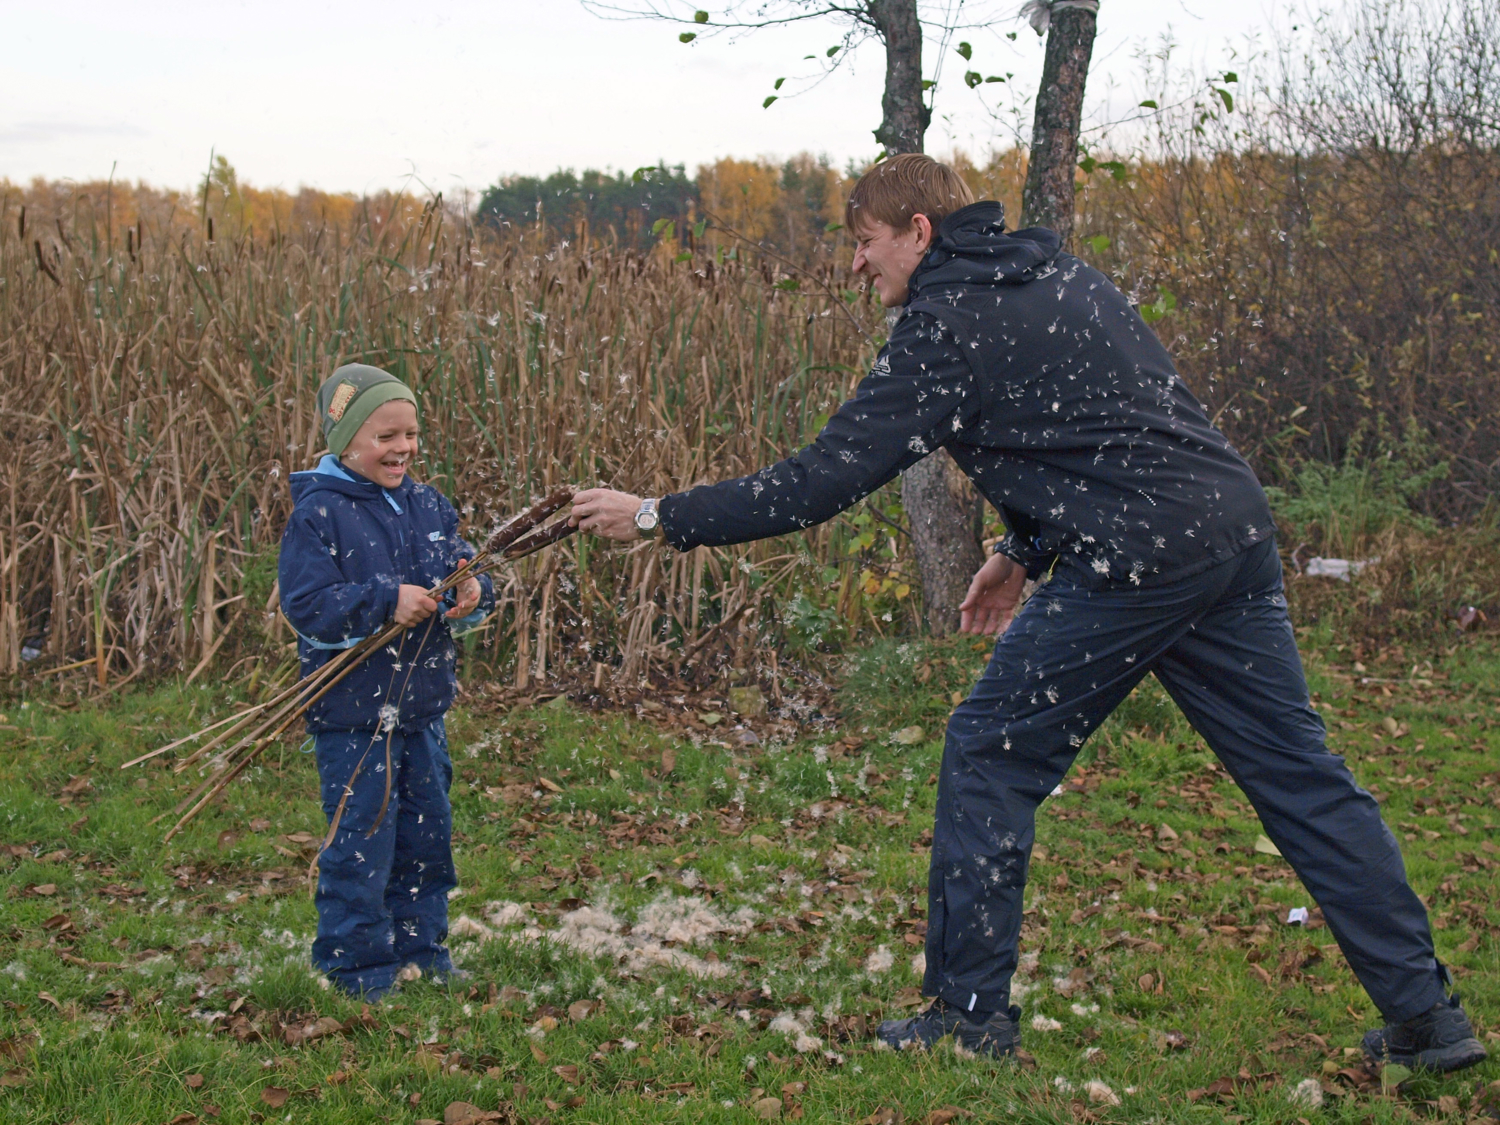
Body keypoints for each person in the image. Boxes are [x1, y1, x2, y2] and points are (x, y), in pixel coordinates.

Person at [569, 154, 1487, 1071]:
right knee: (1303, 779)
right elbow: (1094, 422)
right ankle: (1429, 1021)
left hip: (1135, 562)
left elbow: (821, 479)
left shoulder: (944, 328)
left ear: (918, 232)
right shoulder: (1056, 273)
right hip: (1227, 533)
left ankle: (968, 1018)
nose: (856, 266)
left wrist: (658, 514)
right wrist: (1022, 549)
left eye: (864, 243)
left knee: (988, 749)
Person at [279, 363, 493, 1001]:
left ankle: (423, 952)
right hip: (354, 717)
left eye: (411, 434)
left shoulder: (428, 504)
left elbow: (458, 562)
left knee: (427, 834)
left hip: (422, 709)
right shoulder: (319, 515)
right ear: (346, 441)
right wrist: (382, 602)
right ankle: (358, 969)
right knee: (362, 841)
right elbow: (309, 606)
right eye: (385, 436)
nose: (403, 448)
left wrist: (473, 591)